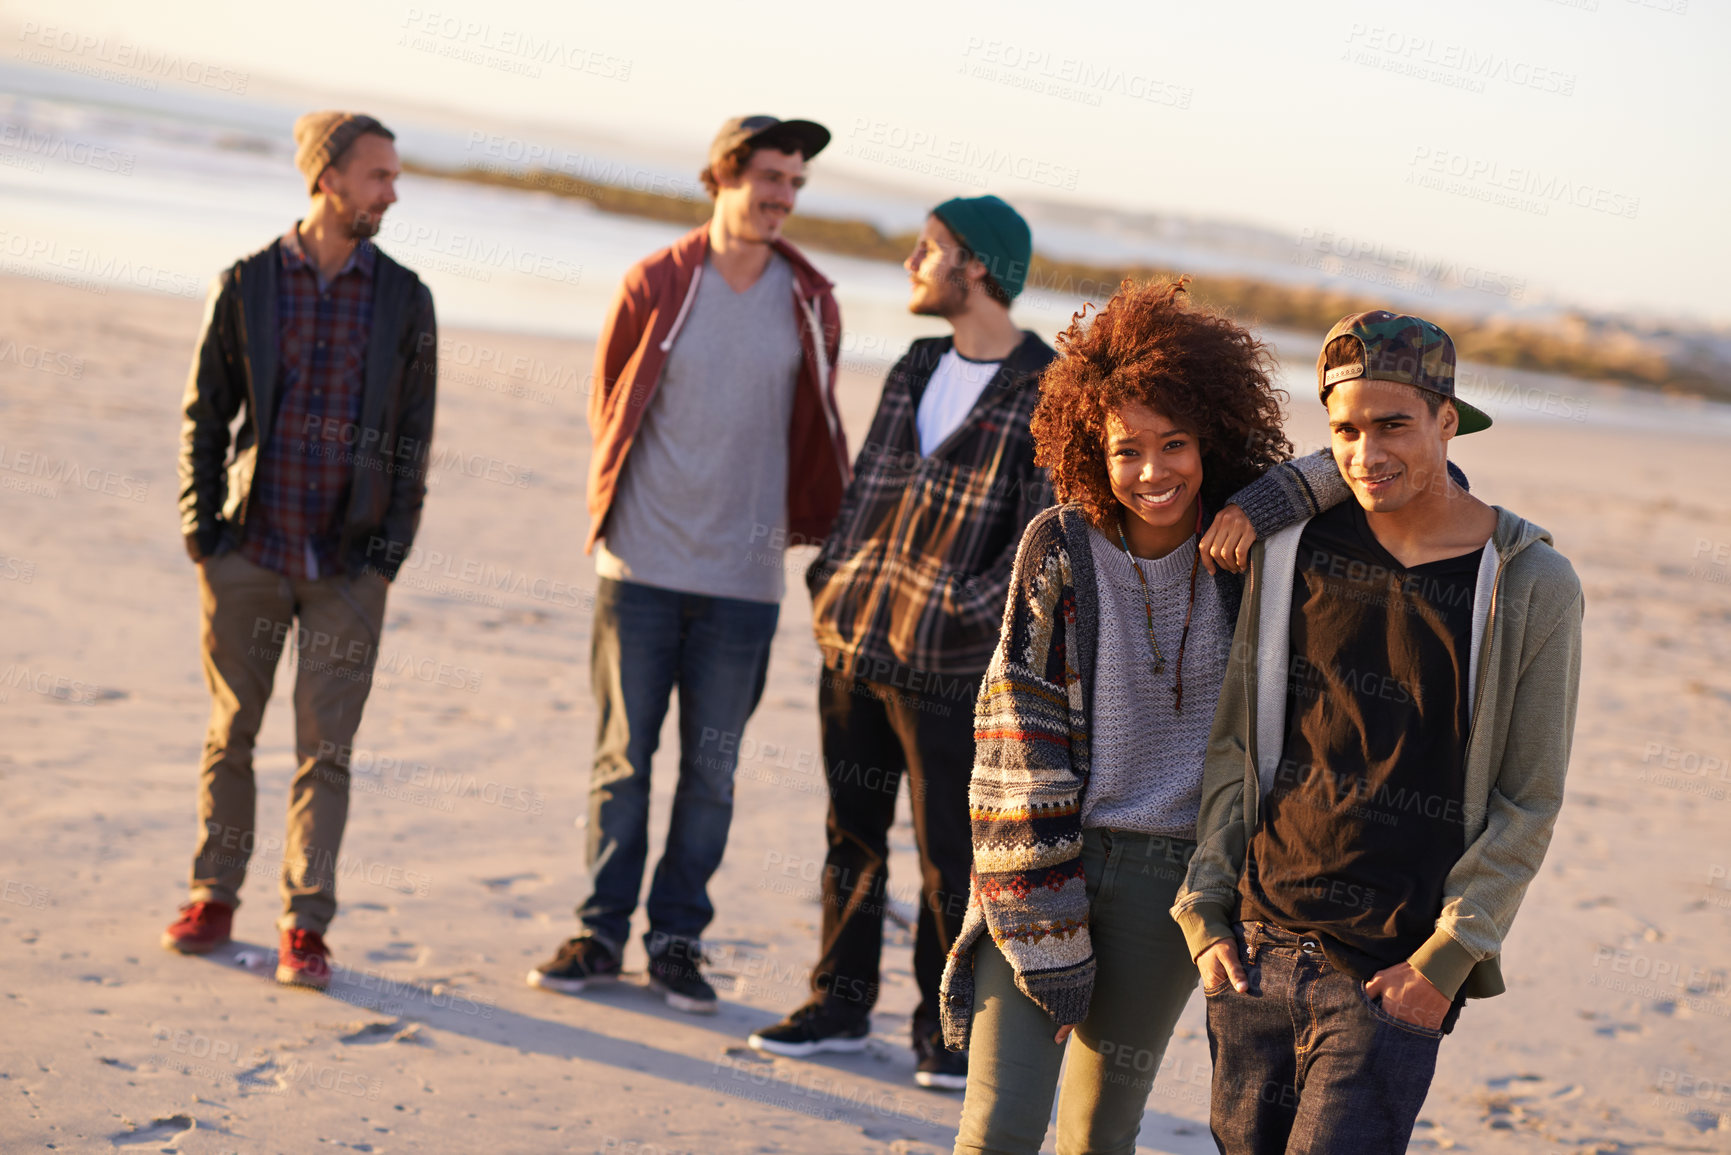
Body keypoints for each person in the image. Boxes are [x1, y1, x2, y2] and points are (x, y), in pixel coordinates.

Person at [936, 279, 1369, 1151]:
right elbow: (1015, 737)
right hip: (1038, 862)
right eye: (1126, 449)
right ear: (1092, 446)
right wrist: (1047, 928)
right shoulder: (1059, 547)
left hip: (1172, 884)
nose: (1151, 471)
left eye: (1175, 444)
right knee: (999, 1127)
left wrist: (1268, 499)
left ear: (1211, 435)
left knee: (1099, 1134)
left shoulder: (1255, 548)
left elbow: (1409, 470)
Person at [1174, 311, 1584, 1153]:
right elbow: (1235, 747)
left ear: (1447, 419)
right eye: (1345, 430)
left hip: (1389, 975)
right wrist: (1204, 911)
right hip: (1253, 949)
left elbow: (1527, 799)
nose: (1367, 454)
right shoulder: (1290, 549)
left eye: (1393, 424)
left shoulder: (1529, 583)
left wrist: (1445, 961)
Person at [527, 115, 849, 1013]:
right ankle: (598, 933)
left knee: (711, 770)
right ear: (722, 177)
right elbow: (610, 403)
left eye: (794, 182)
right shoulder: (656, 282)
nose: (782, 196)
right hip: (640, 566)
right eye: (769, 178)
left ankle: (675, 943)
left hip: (745, 584)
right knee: (623, 760)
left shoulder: (810, 300)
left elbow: (815, 426)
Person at [743, 196, 1048, 1089]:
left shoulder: (1048, 388)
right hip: (855, 643)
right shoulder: (917, 363)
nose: (912, 262)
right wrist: (831, 578)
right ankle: (837, 1003)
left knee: (951, 854)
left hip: (950, 668)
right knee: (851, 834)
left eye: (931, 249)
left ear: (977, 267)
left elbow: (1042, 536)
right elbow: (867, 485)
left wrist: (962, 608)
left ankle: (944, 1030)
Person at [164, 112, 437, 990]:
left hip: (348, 567)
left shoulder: (405, 298)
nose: (392, 192)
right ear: (328, 178)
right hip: (249, 548)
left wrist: (387, 553)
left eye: (393, 178)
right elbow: (205, 417)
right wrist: (202, 532)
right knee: (231, 733)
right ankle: (213, 894)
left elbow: (414, 439)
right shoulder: (244, 284)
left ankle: (303, 925)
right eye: (378, 176)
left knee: (327, 752)